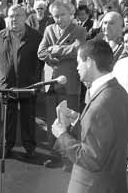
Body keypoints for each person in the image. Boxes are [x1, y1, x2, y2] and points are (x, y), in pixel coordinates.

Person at [52, 40, 128, 193]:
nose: (77, 67)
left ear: (89, 62)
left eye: (79, 62)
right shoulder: (118, 91)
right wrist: (77, 119)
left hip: (93, 186)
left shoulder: (100, 105)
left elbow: (90, 159)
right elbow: (107, 132)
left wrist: (62, 135)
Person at [38, 1, 86, 168]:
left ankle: (69, 158)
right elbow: (41, 52)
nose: (58, 19)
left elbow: (77, 50)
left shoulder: (80, 30)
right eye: (55, 16)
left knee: (69, 120)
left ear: (70, 14)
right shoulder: (49, 29)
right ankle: (55, 155)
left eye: (62, 15)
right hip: (51, 82)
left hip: (70, 82)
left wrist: (55, 50)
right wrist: (53, 54)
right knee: (53, 119)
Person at [0, 4, 42, 158]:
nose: (14, 19)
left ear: (25, 17)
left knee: (28, 118)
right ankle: (7, 146)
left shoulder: (36, 36)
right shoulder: (0, 36)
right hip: (7, 86)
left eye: (18, 15)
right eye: (11, 16)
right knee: (7, 119)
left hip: (28, 84)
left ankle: (30, 148)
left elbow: (41, 61)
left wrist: (36, 79)